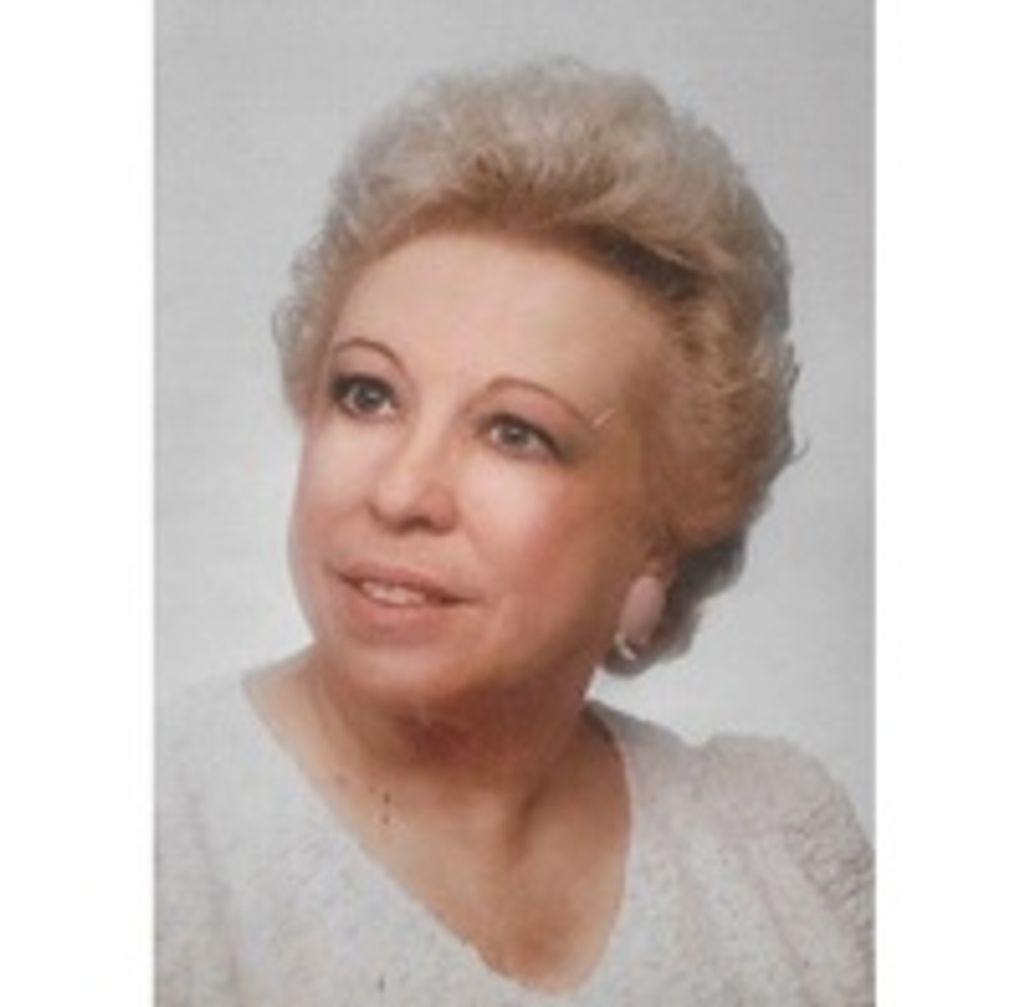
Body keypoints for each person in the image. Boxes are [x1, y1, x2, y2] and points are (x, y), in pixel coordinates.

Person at [157, 60, 872, 1004]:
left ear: (662, 537)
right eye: (367, 395)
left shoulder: (778, 855)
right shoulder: (147, 836)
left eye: (516, 433)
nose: (401, 493)